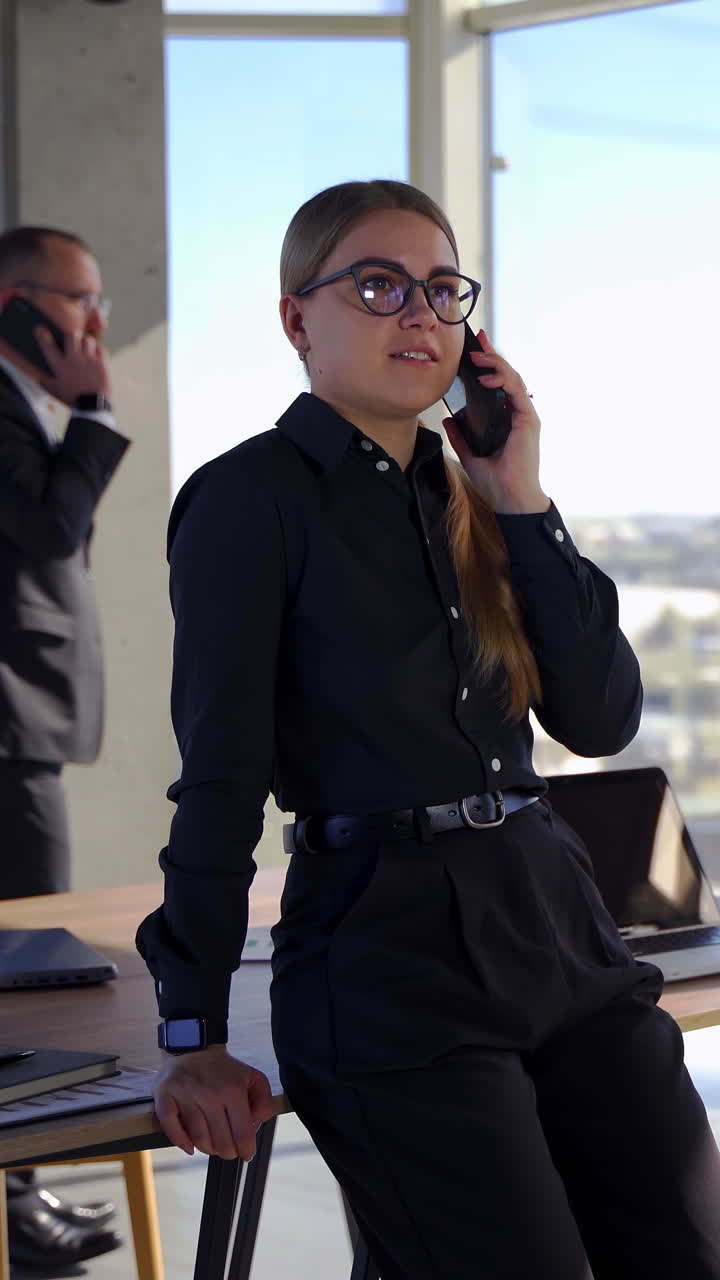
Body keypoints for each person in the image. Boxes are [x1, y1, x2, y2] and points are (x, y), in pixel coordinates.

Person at [137, 180, 720, 1279]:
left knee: (690, 1250)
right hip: (387, 958)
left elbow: (599, 717)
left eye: (442, 289)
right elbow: (217, 779)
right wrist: (192, 1035)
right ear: (296, 319)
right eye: (378, 284)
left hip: (557, 925)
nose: (419, 312)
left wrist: (521, 494)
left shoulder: (480, 499)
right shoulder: (246, 500)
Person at [0, 226, 127, 1266]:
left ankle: (17, 1194)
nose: (95, 325)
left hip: (18, 722)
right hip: (5, 729)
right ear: (15, 301)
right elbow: (47, 537)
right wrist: (94, 413)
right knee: (22, 955)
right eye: (82, 301)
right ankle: (16, 1198)